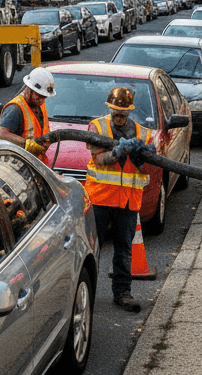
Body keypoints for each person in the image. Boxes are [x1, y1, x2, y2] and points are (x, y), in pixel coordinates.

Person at [84, 85, 153, 313]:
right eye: (115, 113)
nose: (119, 117)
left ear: (130, 111)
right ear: (109, 109)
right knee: (92, 249)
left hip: (127, 201)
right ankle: (85, 293)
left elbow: (146, 170)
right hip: (101, 199)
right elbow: (98, 159)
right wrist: (116, 153)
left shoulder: (143, 133)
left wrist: (145, 157)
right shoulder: (97, 127)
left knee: (124, 250)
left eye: (123, 113)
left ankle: (122, 293)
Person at [0, 67, 55, 157]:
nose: (42, 101)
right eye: (39, 96)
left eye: (44, 97)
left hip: (36, 162)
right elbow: (3, 135)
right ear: (30, 90)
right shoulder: (15, 109)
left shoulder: (38, 103)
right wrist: (28, 145)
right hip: (19, 163)